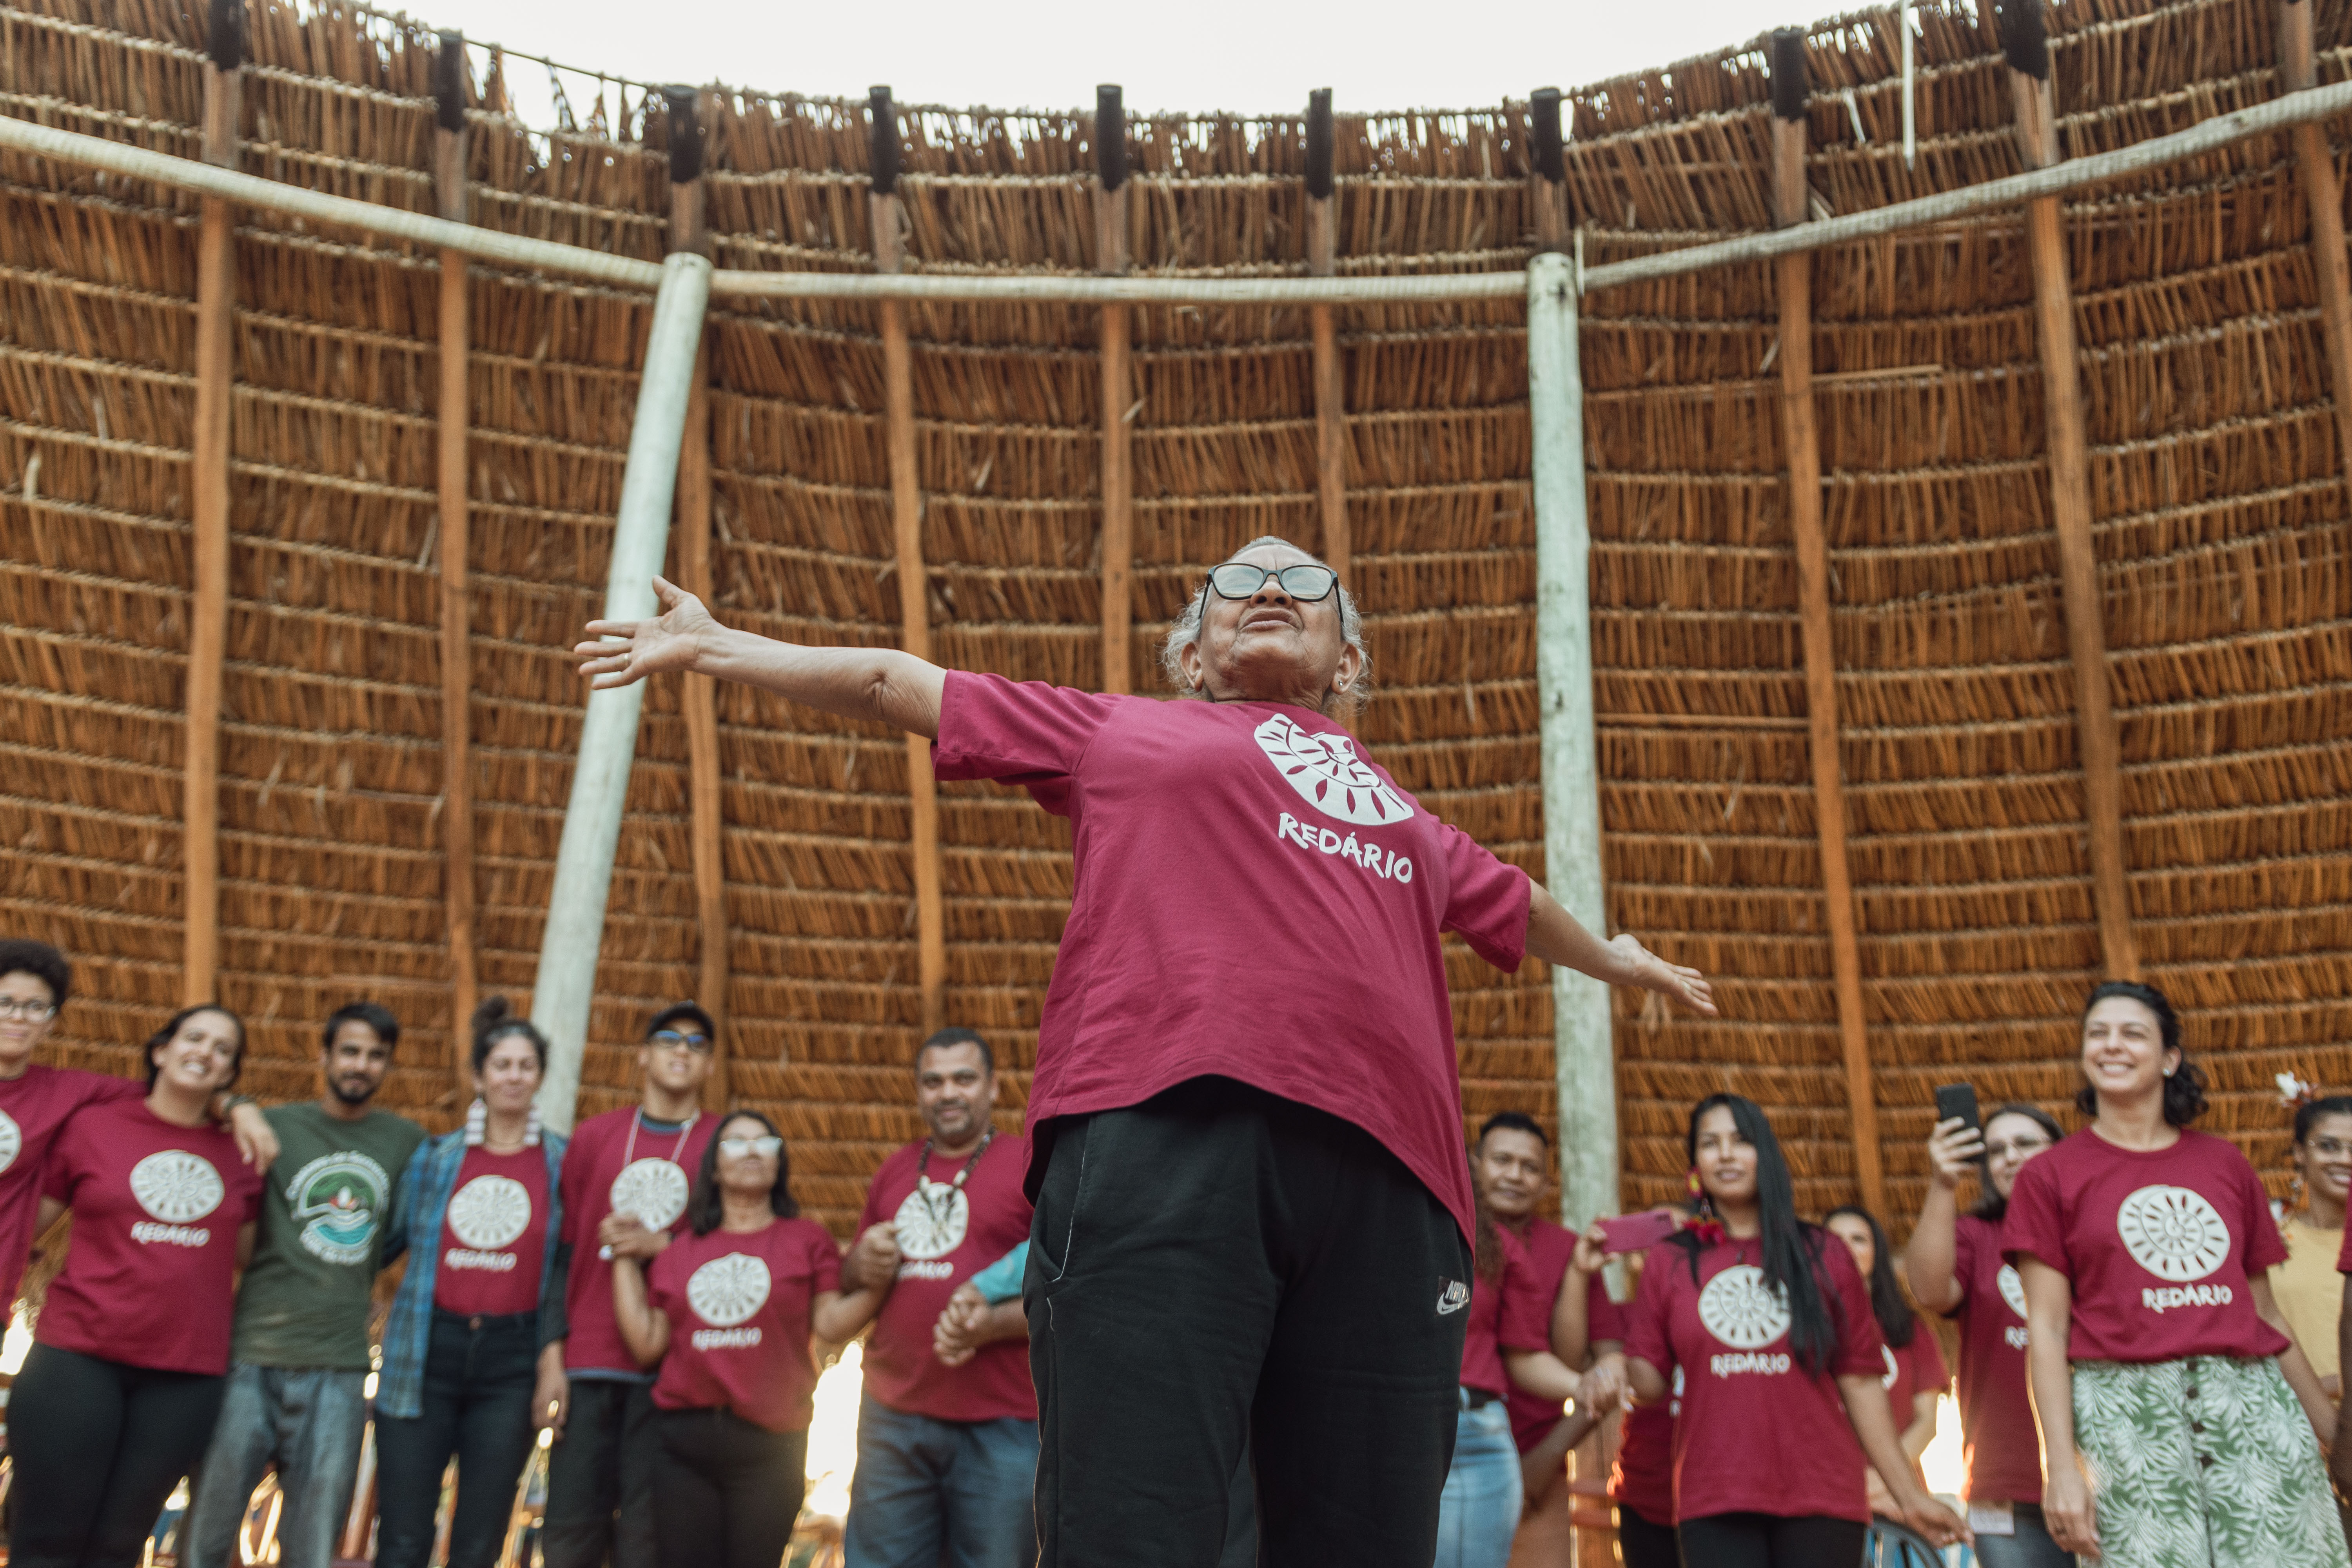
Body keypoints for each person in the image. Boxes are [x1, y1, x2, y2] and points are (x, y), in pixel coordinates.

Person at [577, 537, 1715, 1568]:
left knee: (1365, 1534)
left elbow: (1512, 901)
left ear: (1346, 662)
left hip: (1396, 1186)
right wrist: (721, 646)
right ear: (1189, 656)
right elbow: (895, 680)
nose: (1269, 589)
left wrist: (1612, 958)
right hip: (1163, 1137)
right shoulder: (1118, 730)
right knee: (1133, 1521)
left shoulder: (1407, 820)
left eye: (1302, 584)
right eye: (1236, 585)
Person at [2007, 981, 2345, 1564]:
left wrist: (2340, 1443)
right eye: (2098, 1034)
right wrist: (2059, 1465)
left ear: (2169, 1059)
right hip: (2126, 1421)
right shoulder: (2049, 1177)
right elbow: (2049, 1331)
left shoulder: (2224, 1163)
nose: (2112, 1046)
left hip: (2251, 1409)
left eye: (2133, 1033)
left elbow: (2265, 1315)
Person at [1613, 1094, 1966, 1566]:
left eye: (1741, 1141)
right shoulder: (1670, 1260)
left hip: (1822, 1494)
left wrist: (1909, 1495)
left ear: (1767, 1155)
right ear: (1695, 1165)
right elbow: (1651, 1385)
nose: (1725, 1154)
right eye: (1709, 1143)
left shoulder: (1825, 1253)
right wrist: (1621, 1345)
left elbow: (1860, 1383)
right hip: (1714, 1494)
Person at [6, 1002, 266, 1568]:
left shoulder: (242, 1151)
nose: (206, 1052)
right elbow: (26, 1224)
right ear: (160, 1051)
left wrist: (243, 1115)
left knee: (120, 1545)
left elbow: (249, 1254)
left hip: (184, 1374)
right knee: (46, 1539)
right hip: (77, 1357)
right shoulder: (95, 1124)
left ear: (229, 1075)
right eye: (194, 1038)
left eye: (223, 1050)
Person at [183, 1000, 428, 1568]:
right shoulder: (276, 1124)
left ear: (387, 1066)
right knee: (207, 1535)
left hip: (340, 1366)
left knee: (313, 1545)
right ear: (324, 1056)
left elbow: (402, 1231)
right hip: (250, 1355)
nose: (360, 1066)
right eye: (349, 1052)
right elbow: (197, 1099)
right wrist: (238, 1104)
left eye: (375, 1056)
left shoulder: (406, 1141)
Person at [611, 1110, 882, 1568]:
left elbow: (833, 1324)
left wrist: (882, 1282)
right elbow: (647, 1342)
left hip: (771, 1446)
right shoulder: (681, 1250)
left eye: (765, 1143)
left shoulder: (806, 1239)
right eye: (736, 1143)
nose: (753, 1151)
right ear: (714, 1167)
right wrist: (621, 1256)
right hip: (681, 1445)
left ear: (780, 1163)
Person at [374, 998, 572, 1568]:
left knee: (480, 1542)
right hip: (426, 1353)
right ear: (479, 1075)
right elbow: (383, 1244)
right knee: (404, 1536)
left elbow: (567, 1267)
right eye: (502, 1064)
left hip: (513, 1364)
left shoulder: (562, 1163)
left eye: (526, 1066)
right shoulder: (435, 1158)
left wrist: (552, 1363)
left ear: (538, 1077)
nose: (514, 1076)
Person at [833, 1027, 1037, 1568]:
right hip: (892, 1414)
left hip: (1004, 1420)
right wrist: (861, 1263)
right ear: (920, 1092)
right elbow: (851, 1281)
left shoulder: (1028, 1166)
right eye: (934, 1081)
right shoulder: (895, 1170)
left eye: (964, 1079)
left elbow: (1069, 1292)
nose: (948, 1092)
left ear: (994, 1088)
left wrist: (991, 1325)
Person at [0, 940, 274, 1309]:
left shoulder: (69, 1092)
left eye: (35, 1007)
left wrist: (239, 1107)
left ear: (51, 1022)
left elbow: (178, 1088)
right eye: (6, 1002)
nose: (19, 1017)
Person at [545, 1002, 720, 1568]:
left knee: (648, 1540)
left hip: (673, 1375)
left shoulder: (722, 1145)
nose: (681, 1051)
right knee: (571, 1532)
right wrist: (551, 1360)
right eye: (669, 1039)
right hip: (587, 1366)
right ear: (643, 1055)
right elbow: (561, 1255)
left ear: (710, 1066)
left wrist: (661, 1248)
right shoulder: (595, 1136)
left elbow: (733, 1253)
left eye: (697, 1044)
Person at [1904, 1099, 2065, 1567]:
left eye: (2025, 1144)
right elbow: (1928, 1290)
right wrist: (1943, 1182)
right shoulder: (1976, 1234)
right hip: (2004, 1481)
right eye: (1995, 1150)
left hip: (2103, 1475)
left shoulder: (2091, 1228)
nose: (2010, 1157)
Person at [1466, 1112, 1609, 1568]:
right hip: (1438, 1443)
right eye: (1501, 1160)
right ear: (1474, 1163)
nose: (1514, 1175)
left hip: (1533, 1455)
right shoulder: (1440, 1230)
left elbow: (1589, 1364)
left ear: (1547, 1182)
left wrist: (1545, 1459)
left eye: (1529, 1167)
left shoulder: (1568, 1248)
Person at [1436, 1156, 1580, 1568]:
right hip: (1402, 1427)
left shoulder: (1495, 1245)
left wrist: (1583, 1385)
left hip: (1480, 1437)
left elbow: (1526, 1357)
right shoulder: (1376, 1232)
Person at [1556, 1207, 1674, 1568]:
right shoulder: (1625, 1318)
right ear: (1637, 1260)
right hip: (1646, 1500)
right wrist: (1580, 1272)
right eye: (1652, 1245)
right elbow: (1575, 1360)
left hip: (1725, 1499)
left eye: (1680, 1241)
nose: (1668, 1254)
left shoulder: (1731, 1322)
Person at [1822, 1205, 1946, 1520]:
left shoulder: (1912, 1329)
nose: (1847, 1248)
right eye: (1835, 1240)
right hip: (1828, 1500)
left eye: (1859, 1239)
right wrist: (1850, 1485)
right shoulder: (1799, 1330)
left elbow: (1927, 1422)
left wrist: (1885, 1479)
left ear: (1877, 1254)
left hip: (1903, 1503)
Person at [2272, 1089, 2352, 1402]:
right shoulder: (2270, 1240)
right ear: (2300, 1152)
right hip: (2286, 1430)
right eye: (2329, 1146)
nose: (2345, 1160)